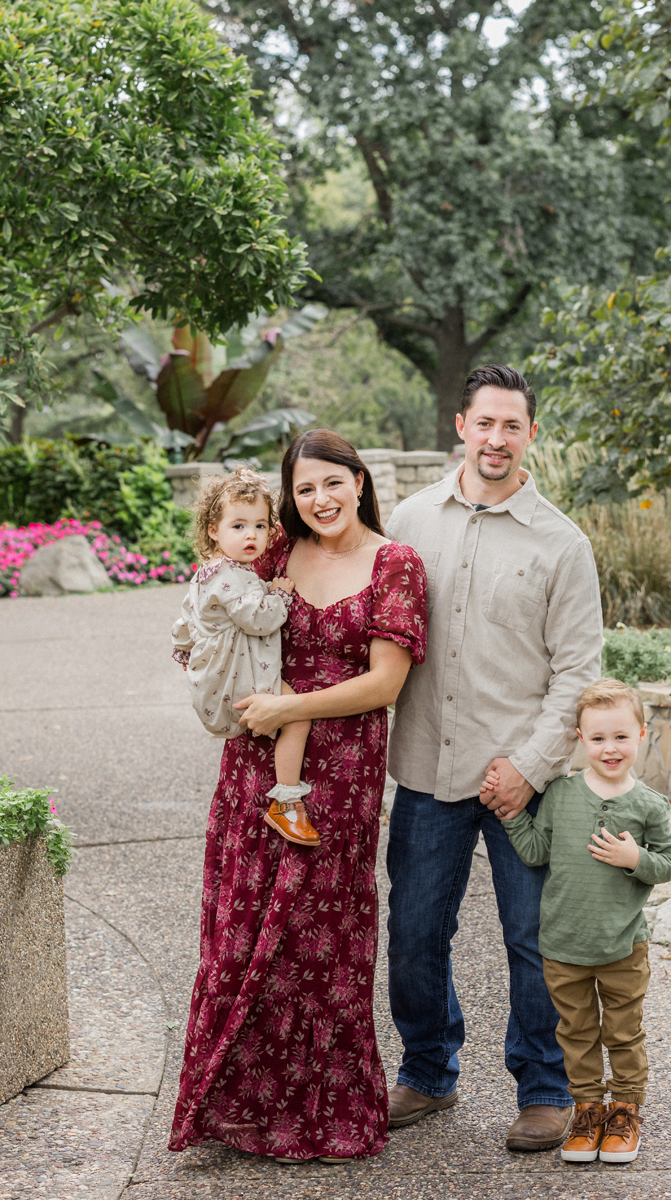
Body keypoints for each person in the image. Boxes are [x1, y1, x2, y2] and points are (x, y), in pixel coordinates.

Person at [168, 430, 427, 1163]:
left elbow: (386, 683)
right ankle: (236, 1107)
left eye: (332, 483)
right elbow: (212, 601)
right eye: (305, 488)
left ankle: (322, 1113)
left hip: (339, 774)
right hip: (253, 762)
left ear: (358, 479)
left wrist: (290, 709)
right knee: (245, 929)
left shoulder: (395, 562)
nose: (320, 499)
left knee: (321, 935)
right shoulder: (276, 551)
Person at [384, 364, 604, 1152]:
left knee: (532, 940)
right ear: (460, 426)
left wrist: (530, 767)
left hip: (524, 782)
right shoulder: (409, 522)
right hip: (426, 770)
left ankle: (544, 1089)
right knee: (412, 936)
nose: (498, 439)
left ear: (531, 435)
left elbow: (578, 672)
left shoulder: (562, 544)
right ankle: (428, 1071)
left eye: (513, 426)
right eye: (486, 423)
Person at [494, 678, 671, 1164]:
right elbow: (536, 852)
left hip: (622, 948)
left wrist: (634, 857)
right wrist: (511, 814)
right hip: (563, 947)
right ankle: (587, 1112)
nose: (610, 748)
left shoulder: (648, 805)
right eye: (598, 738)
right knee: (575, 1036)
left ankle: (624, 1113)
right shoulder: (560, 794)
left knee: (623, 1034)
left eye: (621, 736)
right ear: (580, 738)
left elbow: (669, 864)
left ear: (642, 733)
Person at [171, 468, 319, 846]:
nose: (251, 535)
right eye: (238, 526)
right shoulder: (232, 577)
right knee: (297, 715)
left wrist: (186, 650)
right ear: (213, 530)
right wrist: (280, 596)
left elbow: (186, 619)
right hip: (242, 673)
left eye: (259, 525)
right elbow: (258, 618)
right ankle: (286, 802)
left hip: (225, 671)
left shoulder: (211, 571)